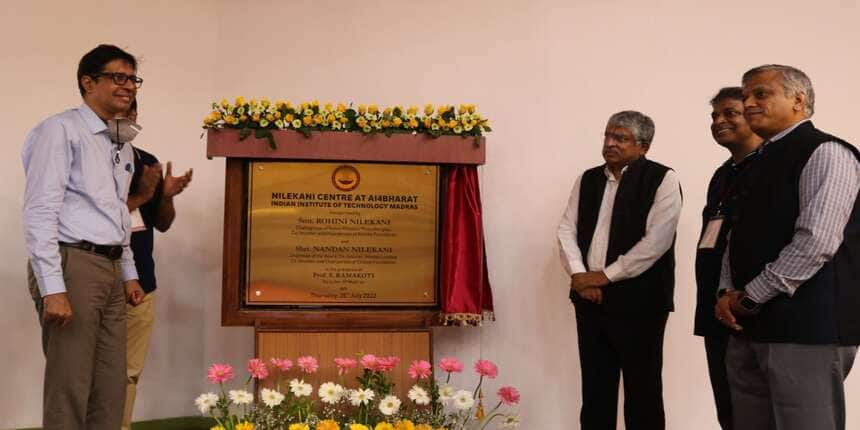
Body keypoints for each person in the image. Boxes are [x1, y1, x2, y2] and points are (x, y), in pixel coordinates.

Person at [715, 64, 860, 430]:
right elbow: (734, 236)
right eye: (746, 95)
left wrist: (749, 297)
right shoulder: (754, 163)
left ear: (799, 100)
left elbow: (816, 243)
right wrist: (726, 293)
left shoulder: (826, 152)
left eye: (760, 94)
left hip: (806, 330)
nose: (748, 103)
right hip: (747, 327)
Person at [22, 44, 145, 429]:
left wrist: (129, 272)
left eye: (133, 79)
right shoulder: (60, 129)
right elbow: (41, 208)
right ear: (87, 82)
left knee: (110, 384)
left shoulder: (121, 144)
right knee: (70, 383)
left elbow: (116, 213)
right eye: (118, 77)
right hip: (72, 262)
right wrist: (52, 287)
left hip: (109, 267)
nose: (128, 86)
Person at [557, 110, 682, 430]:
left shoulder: (662, 178)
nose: (610, 143)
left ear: (644, 147)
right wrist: (579, 276)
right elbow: (566, 231)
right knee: (596, 389)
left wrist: (605, 276)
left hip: (641, 303)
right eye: (608, 136)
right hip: (588, 298)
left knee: (643, 391)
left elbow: (657, 241)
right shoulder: (588, 178)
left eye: (621, 138)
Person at [694, 87, 763, 430]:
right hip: (713, 305)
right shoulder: (723, 174)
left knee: (757, 411)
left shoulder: (769, 169)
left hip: (749, 307)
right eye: (714, 116)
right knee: (728, 408)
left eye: (730, 114)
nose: (719, 121)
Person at [121, 100, 193, 429]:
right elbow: (90, 217)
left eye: (130, 112)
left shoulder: (147, 163)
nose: (125, 118)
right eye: (118, 112)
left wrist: (165, 195)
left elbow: (162, 224)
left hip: (142, 284)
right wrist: (139, 197)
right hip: (96, 278)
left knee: (128, 372)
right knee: (86, 371)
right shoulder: (85, 160)